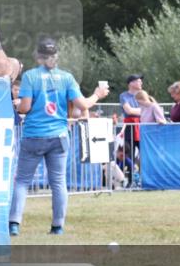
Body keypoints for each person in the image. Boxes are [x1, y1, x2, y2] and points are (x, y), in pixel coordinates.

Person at [8, 38, 109, 235]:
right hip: (59, 136)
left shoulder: (30, 76)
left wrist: (18, 105)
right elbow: (84, 105)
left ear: (38, 57)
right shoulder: (66, 78)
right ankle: (57, 226)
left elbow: (26, 107)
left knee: (22, 181)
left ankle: (14, 224)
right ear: (56, 57)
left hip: (34, 135)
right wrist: (97, 94)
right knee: (58, 182)